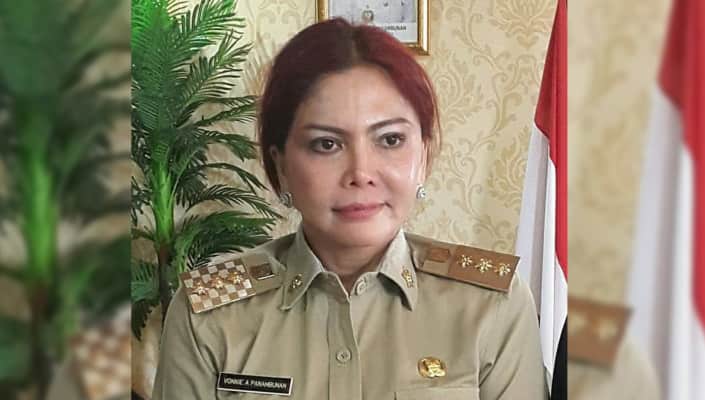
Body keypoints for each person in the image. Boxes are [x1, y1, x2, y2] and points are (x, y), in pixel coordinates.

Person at [152, 18, 547, 400]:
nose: (361, 173)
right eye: (326, 144)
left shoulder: (492, 304)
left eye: (390, 140)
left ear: (423, 157)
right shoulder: (208, 313)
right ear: (281, 166)